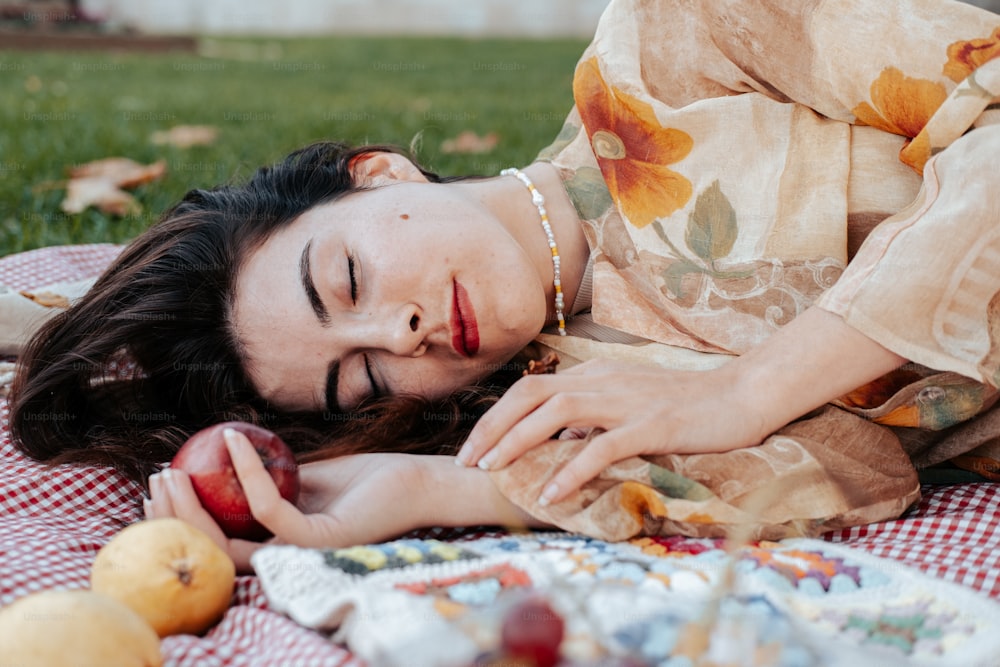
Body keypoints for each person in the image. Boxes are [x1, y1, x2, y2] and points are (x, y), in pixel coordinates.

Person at [10, 0, 1000, 571]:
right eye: (361, 380)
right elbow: (854, 472)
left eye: (346, 276)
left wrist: (743, 388)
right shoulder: (571, 395)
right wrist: (436, 485)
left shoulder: (671, 48)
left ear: (378, 171)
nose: (400, 337)